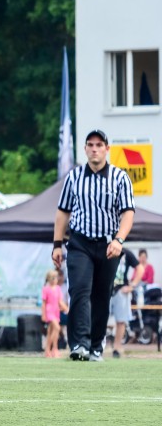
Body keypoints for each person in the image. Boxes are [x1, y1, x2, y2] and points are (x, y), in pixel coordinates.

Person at [53, 129, 135, 362]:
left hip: (109, 244)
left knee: (101, 296)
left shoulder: (120, 178)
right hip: (80, 242)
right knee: (79, 290)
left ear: (107, 149)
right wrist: (57, 244)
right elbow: (62, 212)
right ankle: (79, 344)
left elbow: (128, 212)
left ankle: (96, 346)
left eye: (99, 145)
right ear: (86, 149)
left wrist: (119, 240)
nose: (95, 149)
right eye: (90, 145)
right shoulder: (74, 177)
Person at [110, 248, 144, 359]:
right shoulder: (103, 248)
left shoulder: (126, 253)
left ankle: (117, 347)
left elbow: (140, 269)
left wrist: (132, 285)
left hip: (120, 290)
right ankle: (97, 346)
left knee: (121, 321)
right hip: (105, 289)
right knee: (99, 318)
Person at [41, 270, 68, 358]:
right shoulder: (46, 289)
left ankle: (51, 349)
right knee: (57, 327)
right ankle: (51, 348)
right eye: (53, 278)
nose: (55, 279)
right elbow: (44, 303)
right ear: (49, 279)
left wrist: (66, 309)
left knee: (51, 331)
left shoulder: (58, 289)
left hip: (56, 311)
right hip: (49, 311)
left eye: (56, 277)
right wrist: (43, 314)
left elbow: (60, 301)